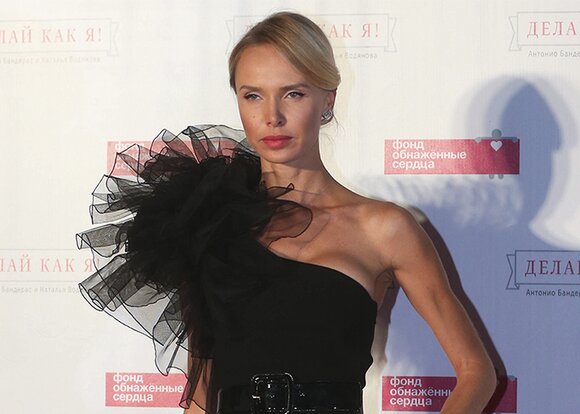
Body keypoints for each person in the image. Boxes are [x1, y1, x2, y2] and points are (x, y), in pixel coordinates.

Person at [78, 11, 496, 414]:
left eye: (293, 93)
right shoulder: (207, 221)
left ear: (327, 100)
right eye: (253, 96)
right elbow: (201, 394)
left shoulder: (384, 228)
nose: (272, 117)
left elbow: (476, 372)